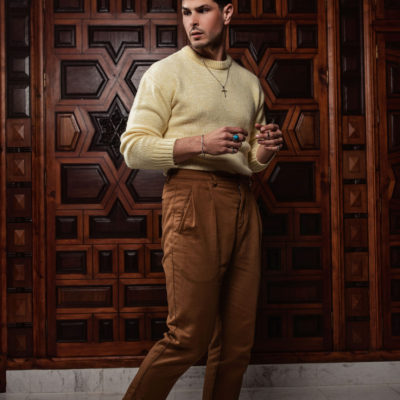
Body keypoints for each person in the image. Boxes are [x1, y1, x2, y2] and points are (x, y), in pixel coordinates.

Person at [119, 0, 283, 398]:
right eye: (186, 12)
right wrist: (200, 143)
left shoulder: (248, 82)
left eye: (202, 10)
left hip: (242, 202)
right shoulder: (165, 73)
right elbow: (133, 149)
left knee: (237, 343)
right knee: (187, 337)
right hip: (191, 198)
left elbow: (248, 160)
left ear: (226, 13)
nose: (192, 21)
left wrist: (265, 150)